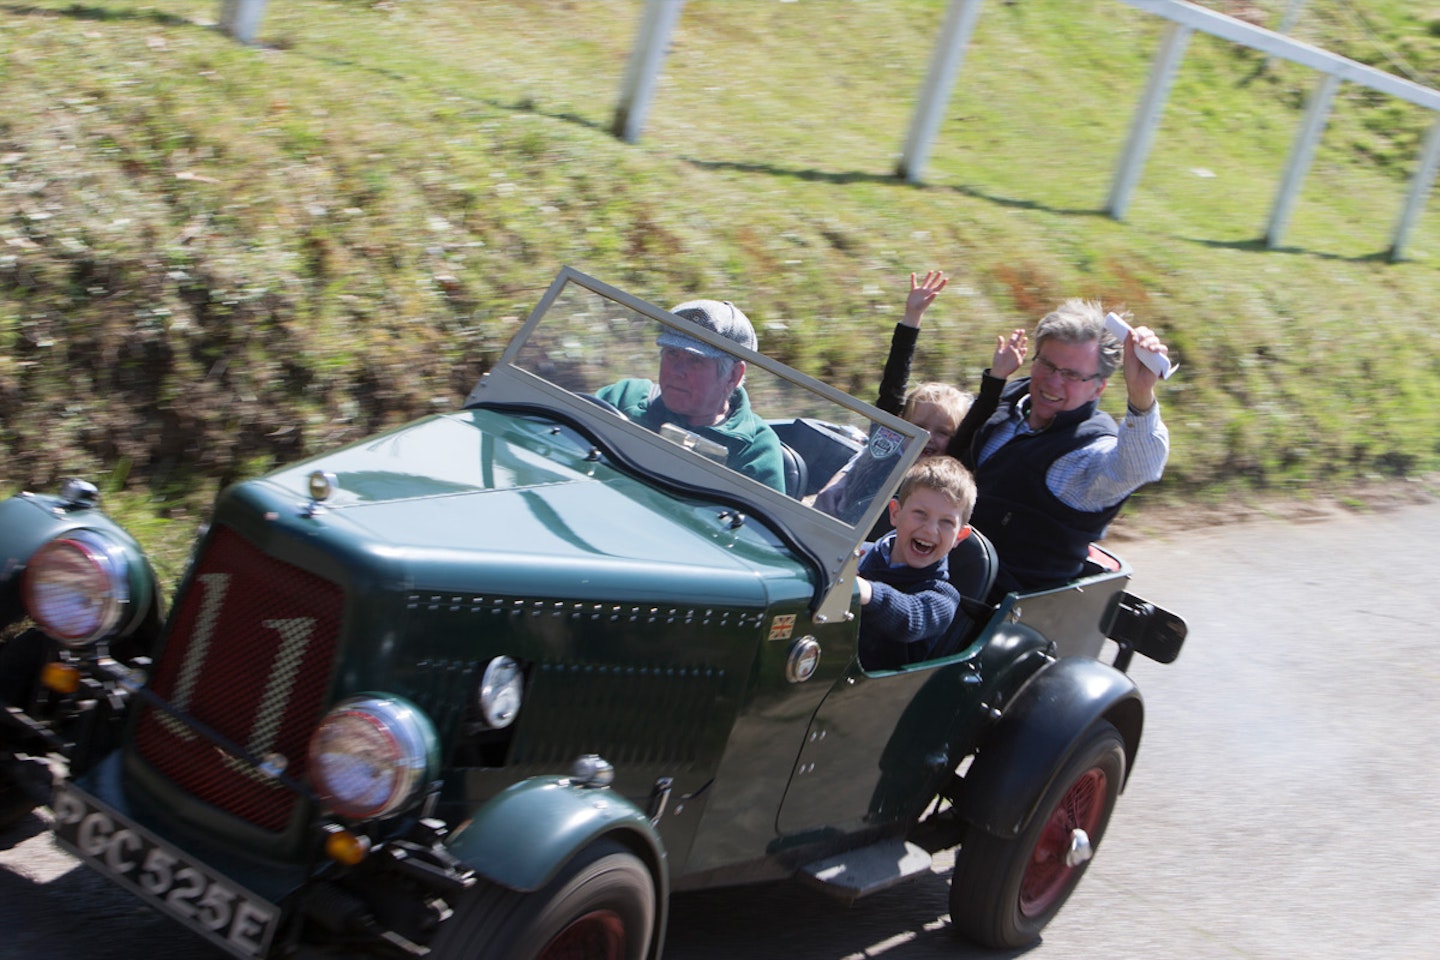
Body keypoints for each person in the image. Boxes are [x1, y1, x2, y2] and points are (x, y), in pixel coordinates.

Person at [946, 299, 1171, 598]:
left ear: (1098, 387)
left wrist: (1141, 395)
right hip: (935, 561)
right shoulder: (1009, 400)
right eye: (1048, 365)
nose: (1052, 383)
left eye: (1072, 375)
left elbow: (1139, 468)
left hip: (996, 605)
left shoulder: (1086, 451)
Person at [814, 271, 971, 525]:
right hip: (835, 530)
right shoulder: (885, 446)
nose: (928, 438)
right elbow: (893, 386)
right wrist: (912, 317)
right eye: (919, 428)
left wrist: (995, 379)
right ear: (901, 424)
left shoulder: (943, 484)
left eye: (943, 432)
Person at [597, 299, 786, 492]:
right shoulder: (624, 397)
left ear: (733, 376)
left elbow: (758, 520)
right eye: (672, 353)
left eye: (695, 360)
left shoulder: (754, 449)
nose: (677, 371)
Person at [855, 455, 977, 671]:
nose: (930, 529)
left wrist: (865, 591)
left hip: (872, 692)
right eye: (920, 514)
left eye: (947, 522)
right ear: (895, 513)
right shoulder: (862, 554)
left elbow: (911, 619)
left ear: (959, 536)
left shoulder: (942, 597)